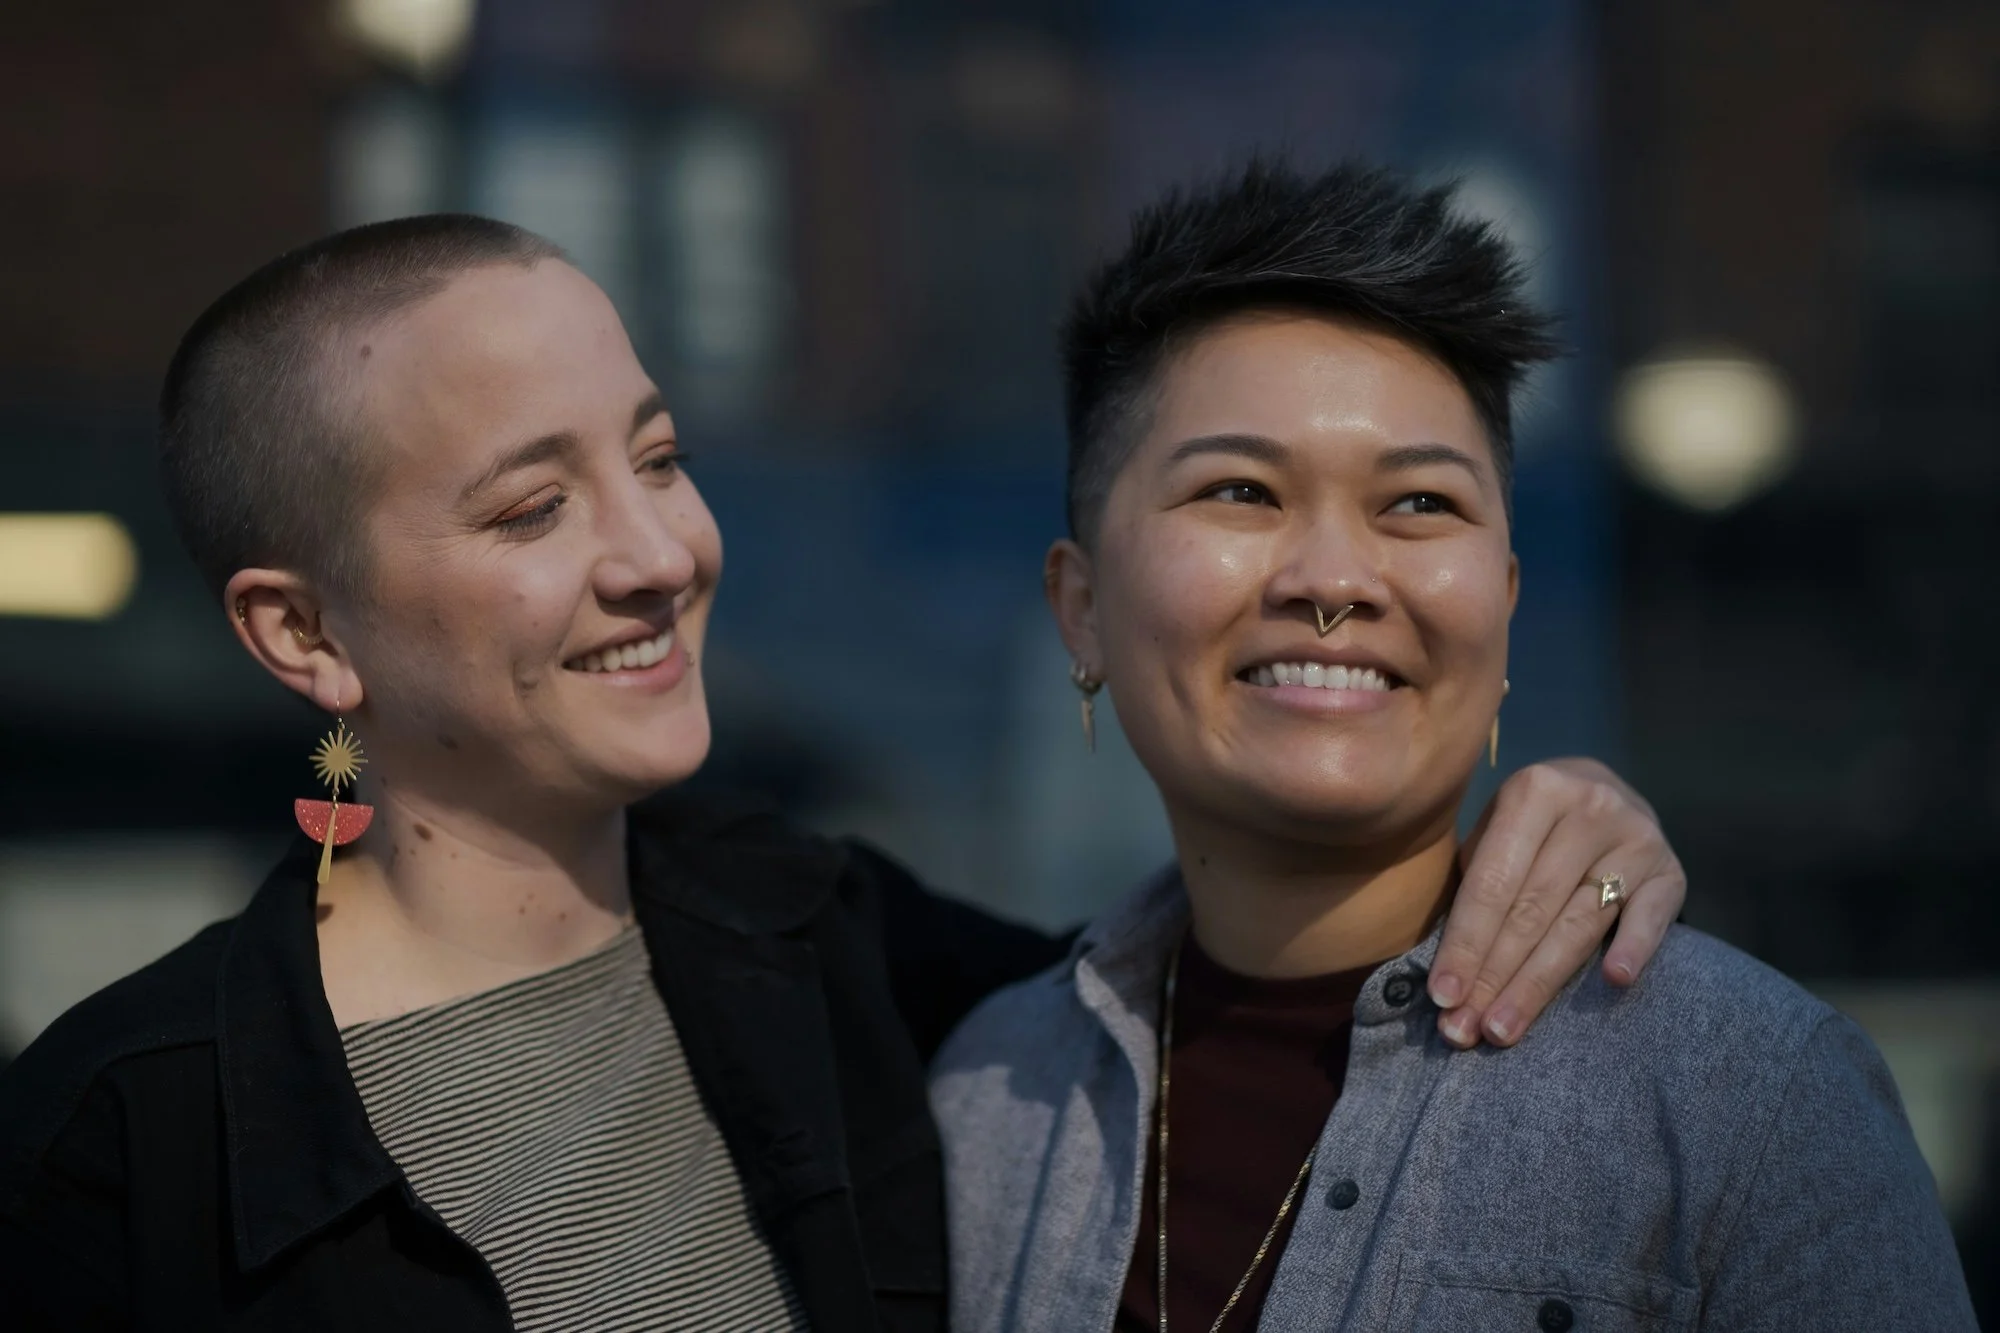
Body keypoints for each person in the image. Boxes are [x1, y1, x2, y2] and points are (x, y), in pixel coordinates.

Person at [0, 214, 1686, 1332]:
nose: (659, 550)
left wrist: (1543, 822)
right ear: (306, 635)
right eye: (537, 508)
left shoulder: (819, 934)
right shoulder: (124, 1145)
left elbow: (1248, 1002)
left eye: (657, 456)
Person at [930, 160, 1977, 1332]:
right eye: (1239, 490)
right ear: (1079, 609)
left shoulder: (1748, 1096)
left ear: (1505, 601)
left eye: (1418, 505)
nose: (1332, 580)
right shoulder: (982, 1099)